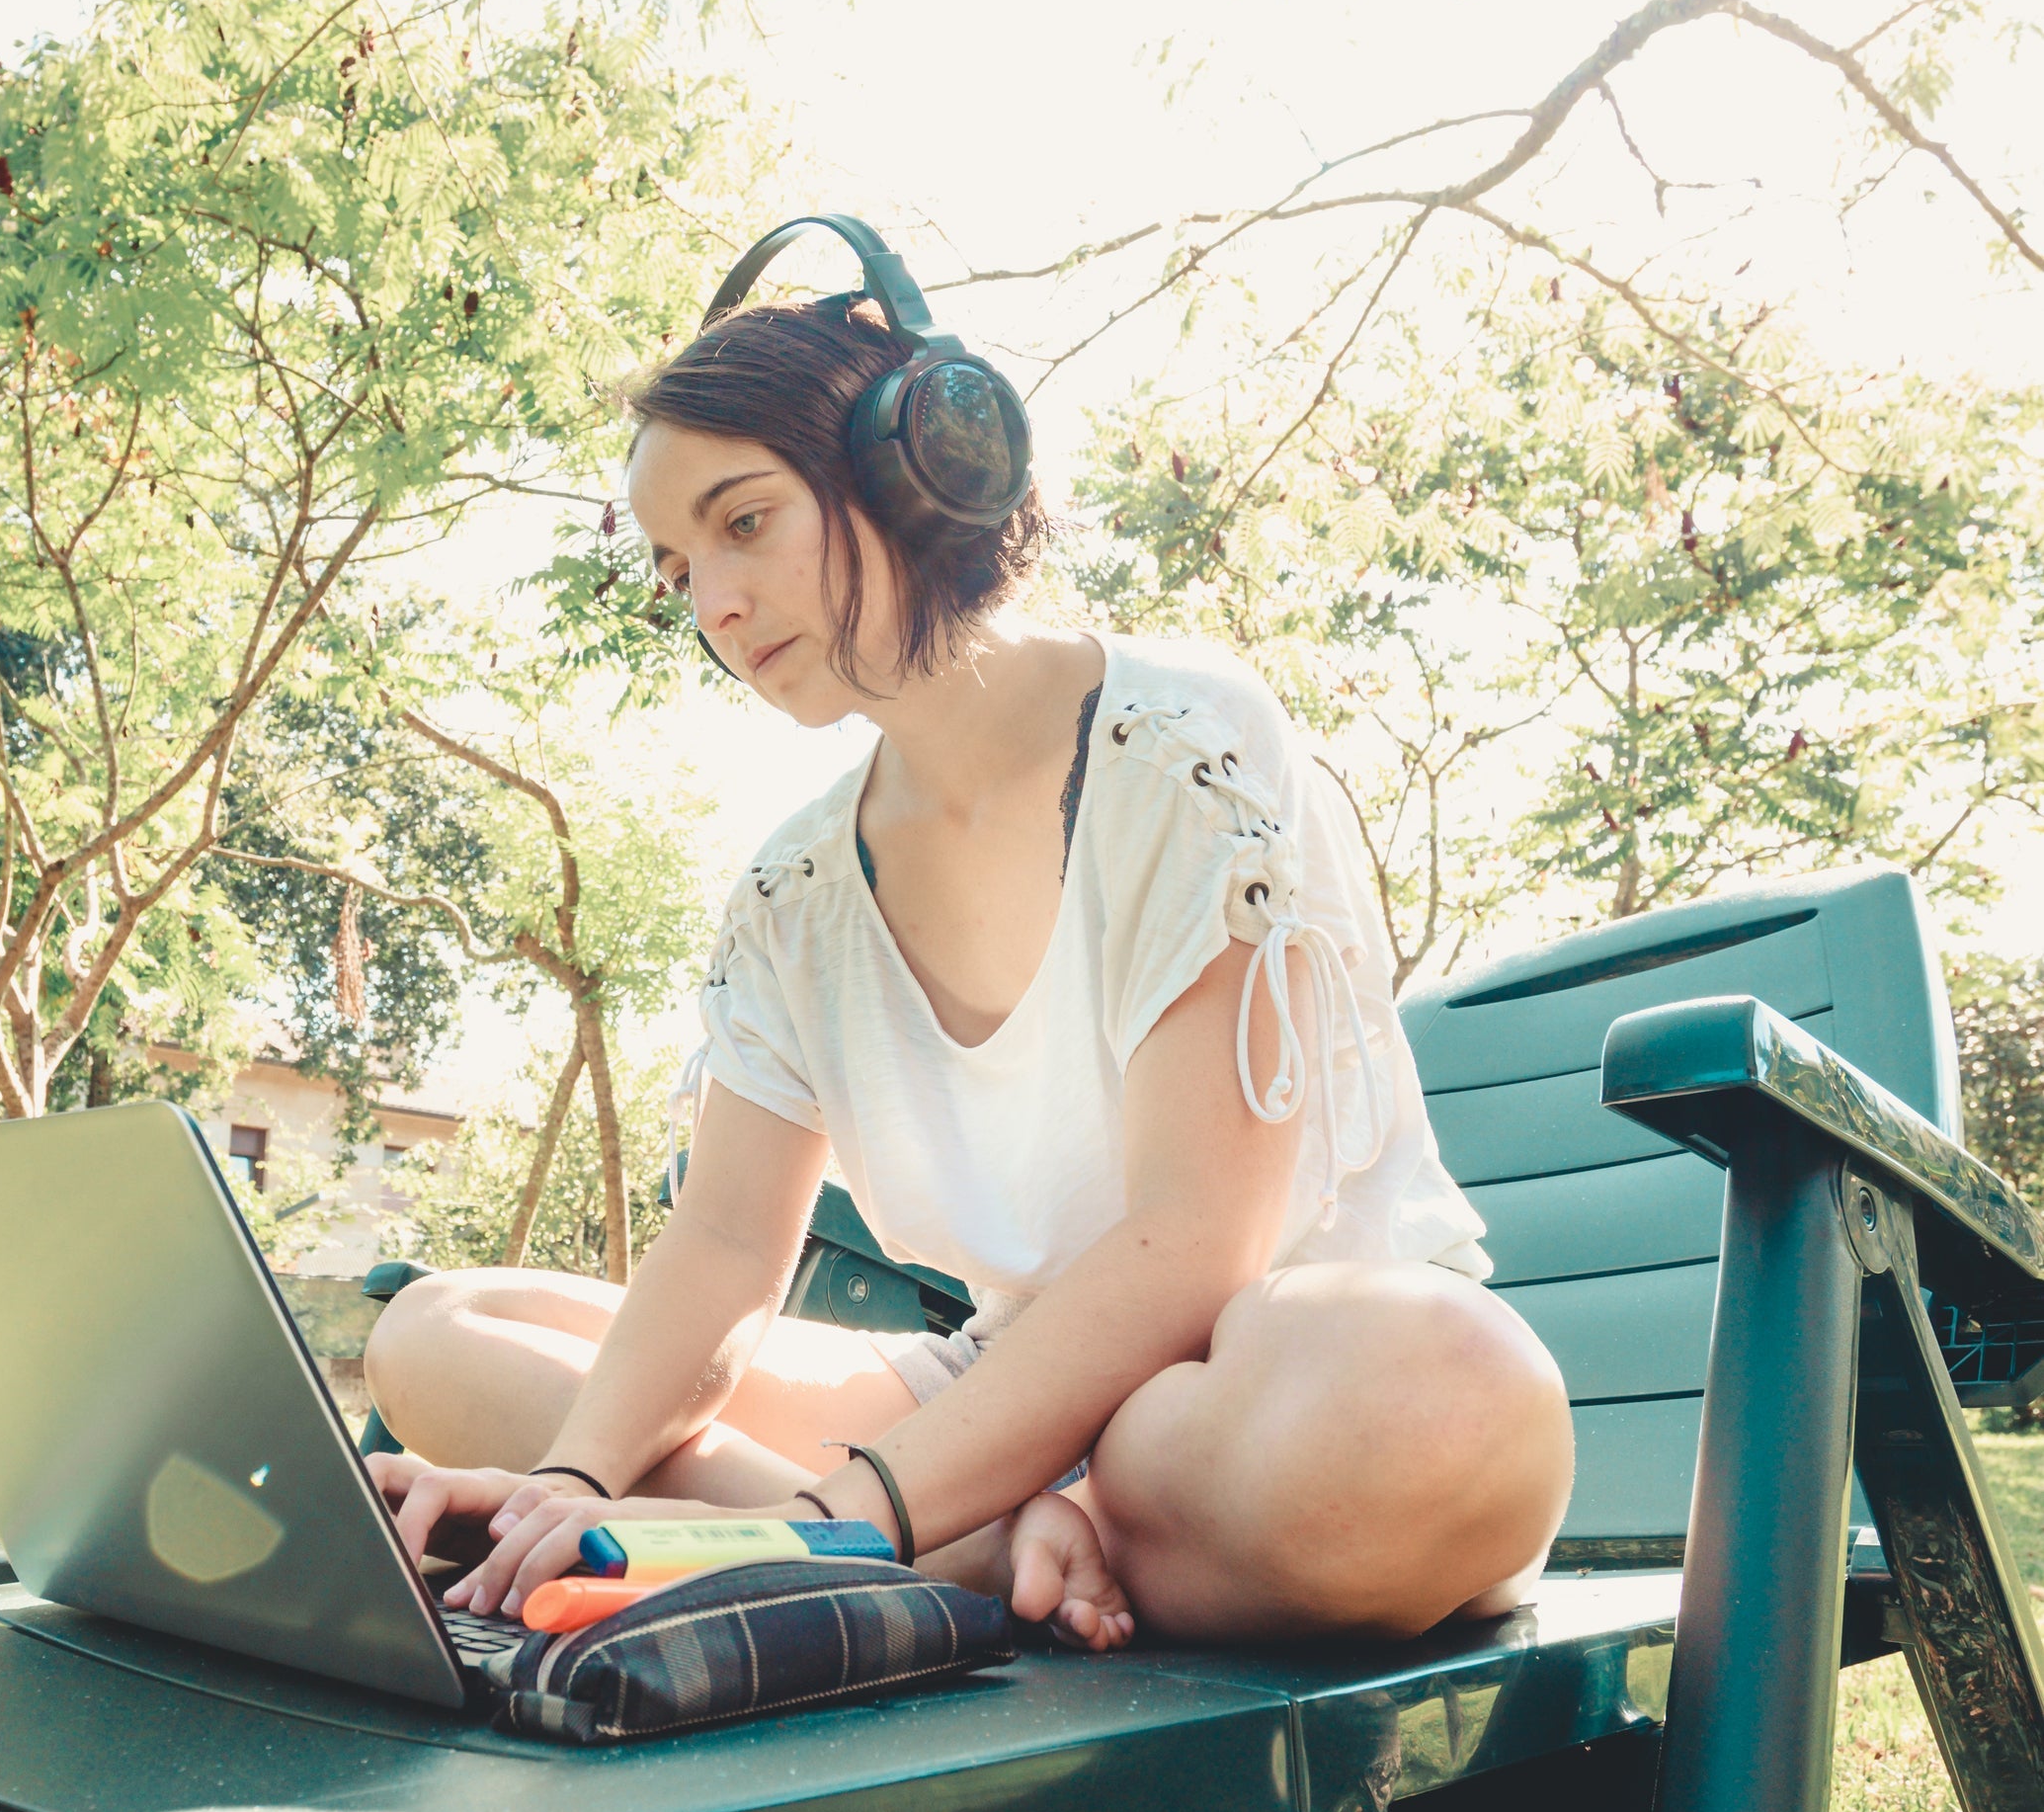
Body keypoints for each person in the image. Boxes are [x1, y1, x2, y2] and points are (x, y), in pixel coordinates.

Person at [366, 255, 1573, 1650]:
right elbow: (724, 1246)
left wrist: (864, 1503)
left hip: (1264, 1392)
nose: (715, 603)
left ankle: (873, 1539)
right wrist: (565, 1483)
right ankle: (990, 1544)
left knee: (1449, 1392)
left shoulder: (1181, 744)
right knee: (438, 1331)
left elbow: (1198, 1247)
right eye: (679, 569)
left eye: (746, 523)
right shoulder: (792, 893)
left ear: (925, 467)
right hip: (992, 1394)